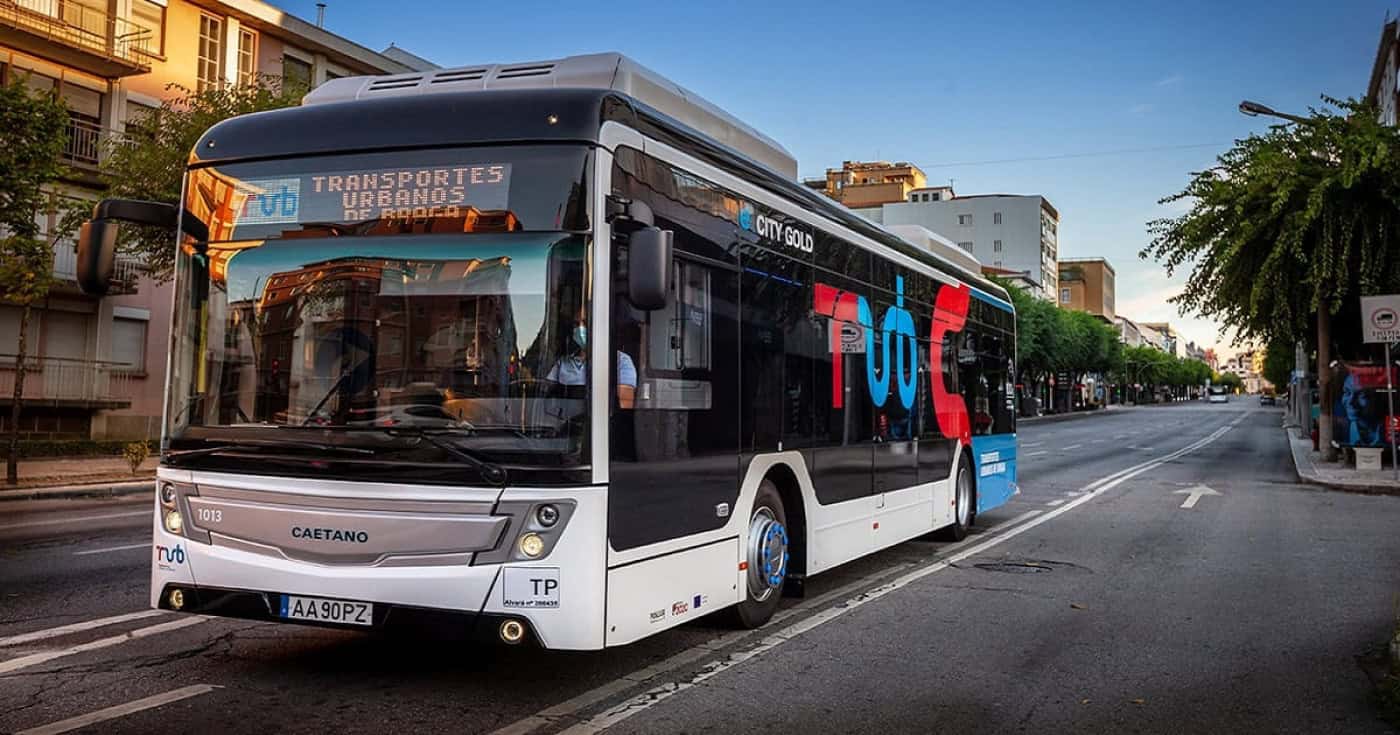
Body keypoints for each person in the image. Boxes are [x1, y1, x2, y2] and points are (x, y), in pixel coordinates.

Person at [547, 308, 637, 408]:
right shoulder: (563, 363)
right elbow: (547, 395)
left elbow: (624, 405)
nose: (580, 329)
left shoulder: (621, 361)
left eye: (585, 323)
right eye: (576, 324)